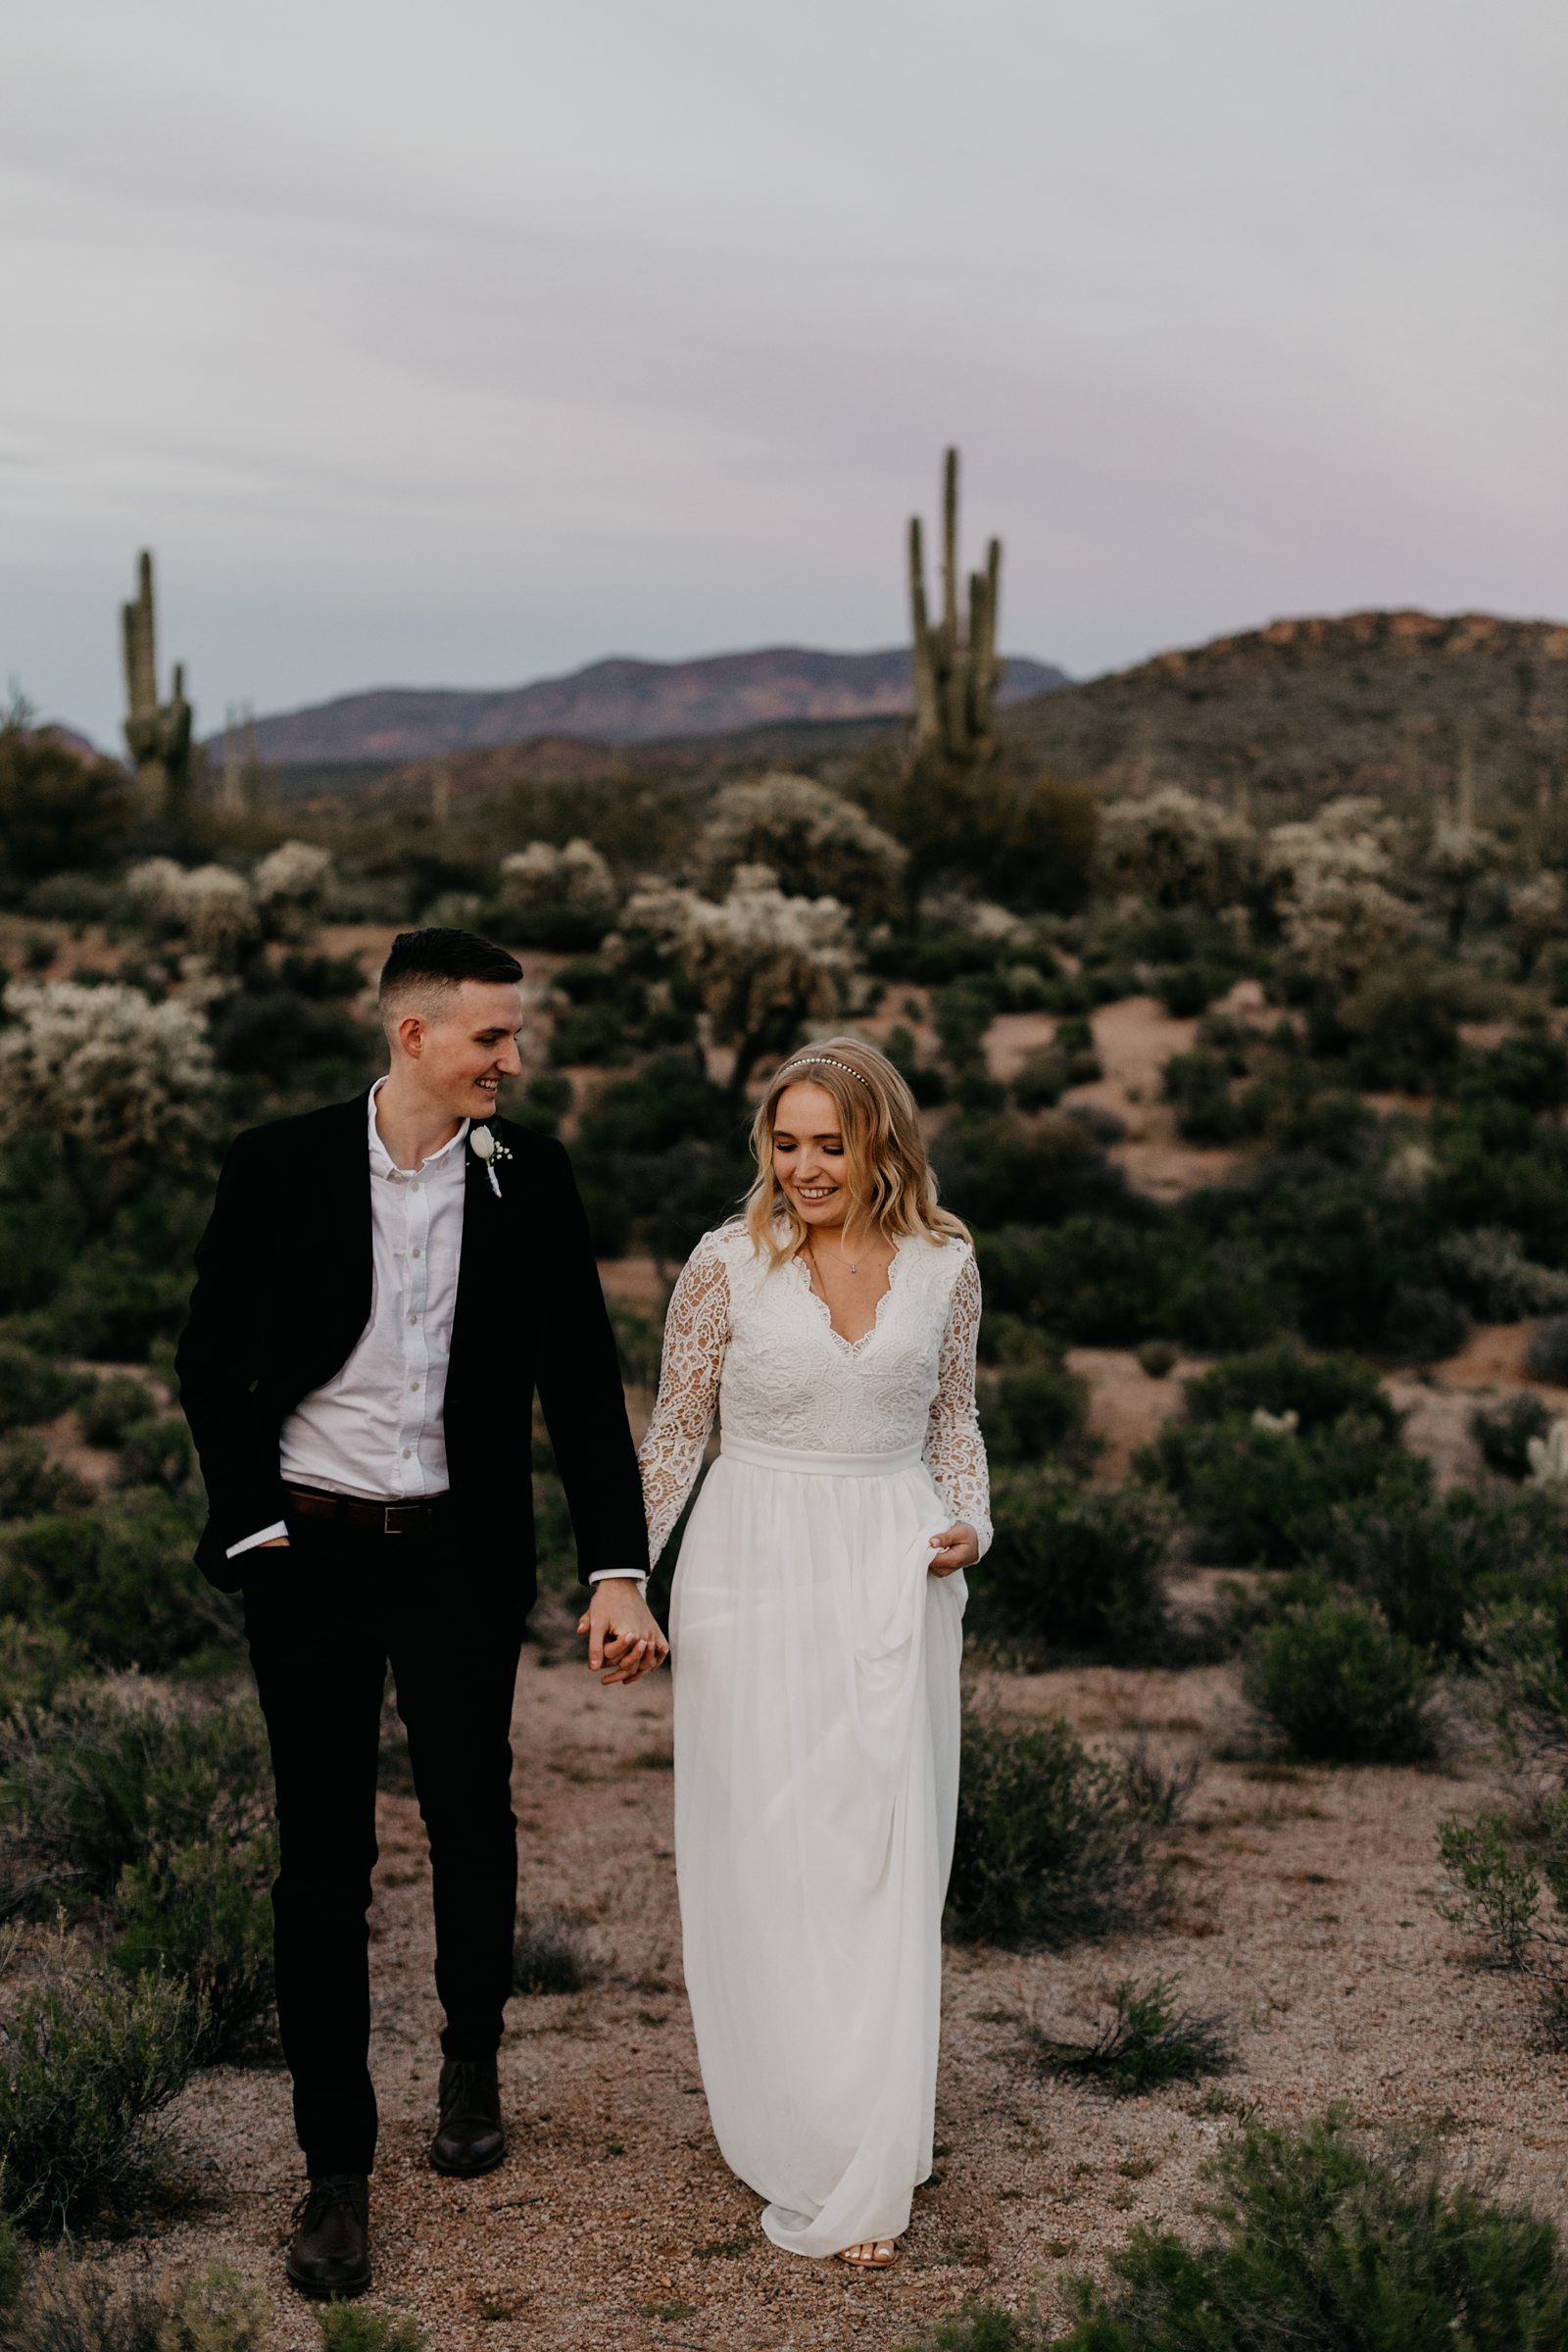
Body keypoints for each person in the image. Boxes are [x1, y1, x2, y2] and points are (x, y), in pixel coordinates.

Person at [176, 927, 666, 2300]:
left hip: (460, 1556)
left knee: (472, 1814)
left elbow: (579, 1383)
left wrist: (614, 1566)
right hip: (311, 1555)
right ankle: (334, 2172)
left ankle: (470, 2058)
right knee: (321, 1859)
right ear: (413, 1037)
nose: (515, 1059)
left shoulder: (530, 1176)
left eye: (515, 1038)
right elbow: (211, 1357)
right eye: (491, 1039)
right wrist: (254, 1526)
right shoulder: (277, 1164)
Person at [638, 1035, 989, 2266]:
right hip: (751, 1566)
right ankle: (799, 2130)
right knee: (766, 1848)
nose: (802, 1167)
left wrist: (972, 1523)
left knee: (878, 1853)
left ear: (880, 1143)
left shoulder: (948, 1264)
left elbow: (955, 1417)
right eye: (784, 1144)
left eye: (828, 1145)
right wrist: (629, 1580)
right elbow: (675, 1433)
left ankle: (869, 2128)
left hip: (891, 1565)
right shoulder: (724, 1264)